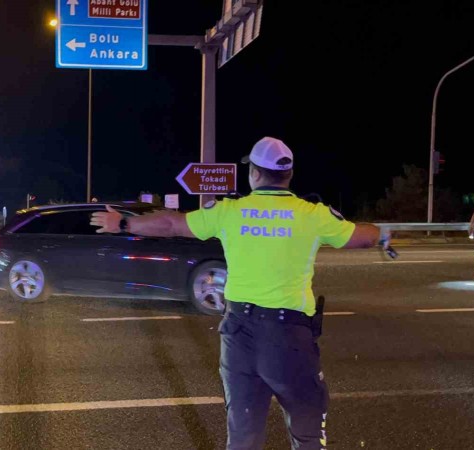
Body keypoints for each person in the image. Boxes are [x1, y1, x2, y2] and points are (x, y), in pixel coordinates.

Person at [90, 137, 386, 449]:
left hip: (240, 335)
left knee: (243, 437)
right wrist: (382, 234)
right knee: (307, 429)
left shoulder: (230, 211)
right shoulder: (312, 215)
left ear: (255, 174)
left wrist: (123, 223)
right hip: (289, 339)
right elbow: (362, 237)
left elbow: (171, 224)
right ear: (288, 174)